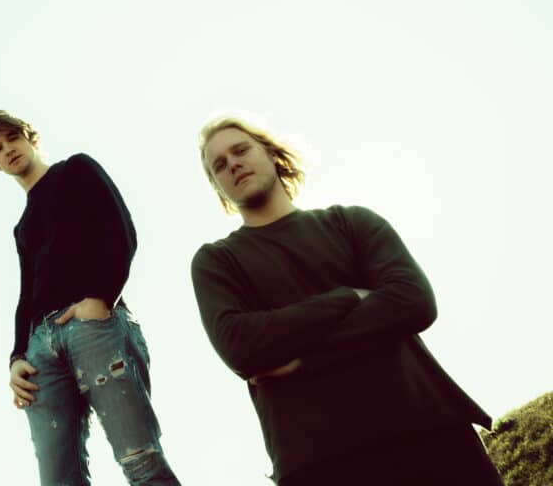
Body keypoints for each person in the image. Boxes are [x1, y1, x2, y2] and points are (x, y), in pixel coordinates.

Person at [190, 115, 503, 486]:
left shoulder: (352, 223)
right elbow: (242, 348)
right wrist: (349, 297)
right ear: (218, 187)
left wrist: (300, 359)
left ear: (271, 154)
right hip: (319, 460)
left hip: (427, 429)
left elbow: (414, 301)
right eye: (219, 165)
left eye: (241, 150)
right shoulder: (217, 260)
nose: (233, 164)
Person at [0, 110, 180, 486]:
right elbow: (26, 295)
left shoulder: (75, 170)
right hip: (41, 350)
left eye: (12, 139)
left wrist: (101, 298)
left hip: (93, 326)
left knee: (140, 461)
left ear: (30, 137)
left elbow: (120, 227)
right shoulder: (21, 227)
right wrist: (16, 356)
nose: (8, 150)